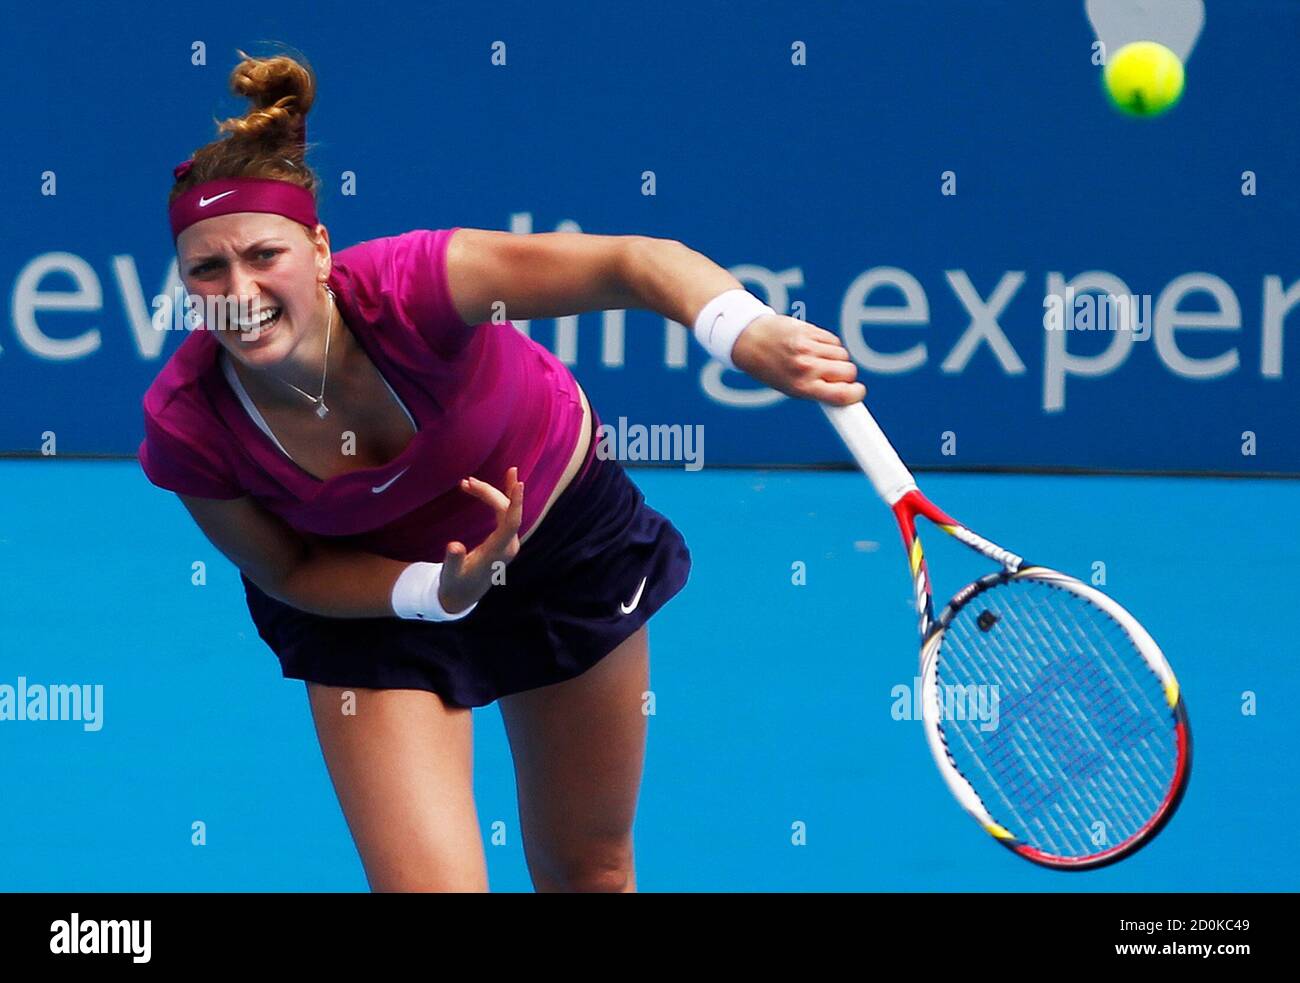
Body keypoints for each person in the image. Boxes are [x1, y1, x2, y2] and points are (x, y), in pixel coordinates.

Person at [140, 48, 865, 892]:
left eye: (265, 254)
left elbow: (631, 262)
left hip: (561, 553)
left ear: (321, 250)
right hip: (374, 604)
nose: (239, 287)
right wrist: (434, 590)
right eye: (207, 268)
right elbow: (292, 569)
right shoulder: (187, 424)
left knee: (588, 870)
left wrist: (746, 332)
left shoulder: (418, 286)